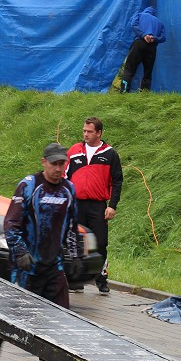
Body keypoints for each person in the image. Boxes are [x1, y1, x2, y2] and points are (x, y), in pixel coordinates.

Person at [0, 142, 82, 361]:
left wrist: (75, 255)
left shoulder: (68, 189)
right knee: (19, 314)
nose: (59, 168)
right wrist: (20, 252)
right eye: (55, 163)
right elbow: (11, 224)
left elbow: (71, 226)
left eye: (63, 163)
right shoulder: (29, 186)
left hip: (53, 265)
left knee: (57, 316)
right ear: (44, 162)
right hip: (27, 265)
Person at [65, 117, 121, 294]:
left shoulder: (110, 154)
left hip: (98, 205)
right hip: (77, 204)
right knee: (77, 241)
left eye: (89, 131)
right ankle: (76, 280)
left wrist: (112, 205)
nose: (85, 134)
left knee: (100, 242)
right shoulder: (74, 151)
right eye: (84, 131)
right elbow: (64, 177)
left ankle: (101, 278)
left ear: (99, 133)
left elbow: (117, 181)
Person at [121, 6, 166, 93]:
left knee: (129, 69)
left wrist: (144, 35)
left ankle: (123, 92)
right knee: (148, 72)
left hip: (139, 43)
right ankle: (144, 95)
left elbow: (133, 25)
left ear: (146, 11)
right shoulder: (159, 22)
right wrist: (154, 38)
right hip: (152, 46)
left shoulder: (139, 15)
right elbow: (163, 38)